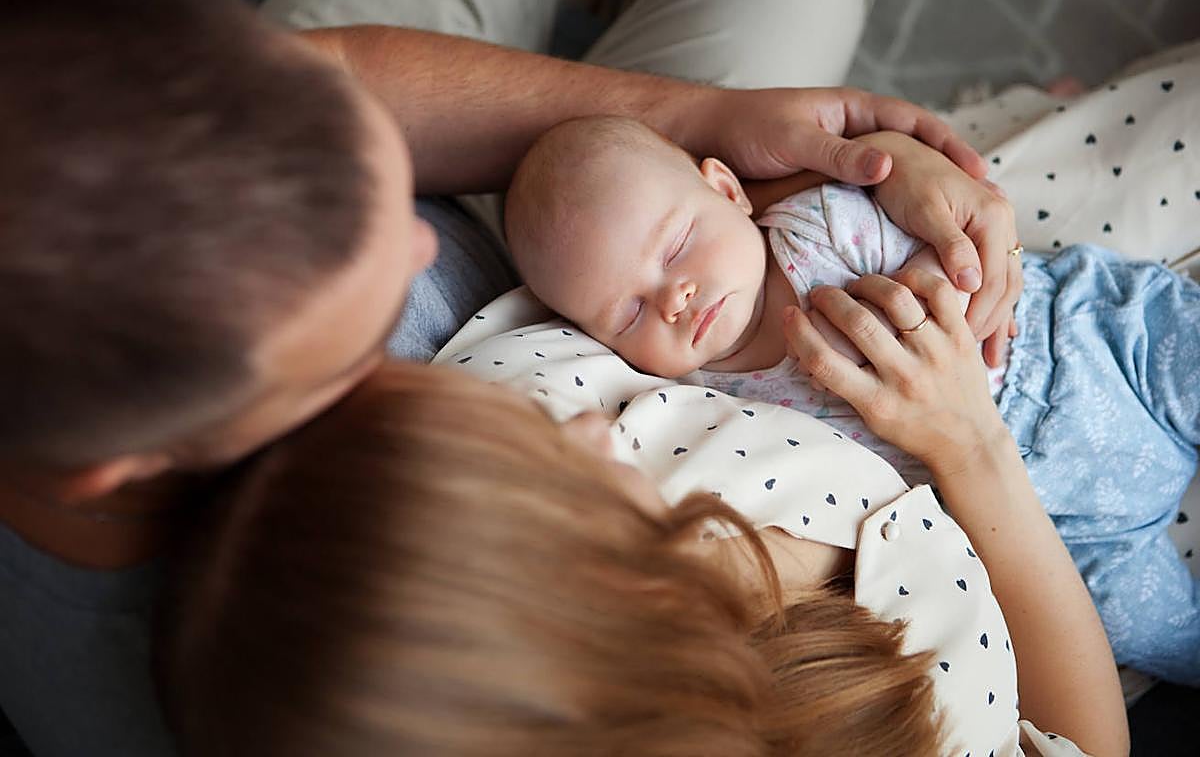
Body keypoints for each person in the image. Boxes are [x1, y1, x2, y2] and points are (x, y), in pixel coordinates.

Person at [0, 0, 1020, 757]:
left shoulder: (118, 202)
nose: (418, 240)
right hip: (615, 284)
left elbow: (344, 74)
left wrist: (692, 123)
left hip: (602, 207)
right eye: (350, 339)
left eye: (368, 197)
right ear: (121, 471)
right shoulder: (335, 648)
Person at [504, 114, 1200, 684]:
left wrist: (938, 279)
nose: (674, 296)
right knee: (1154, 631)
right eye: (628, 314)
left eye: (678, 244)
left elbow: (950, 247)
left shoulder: (818, 229)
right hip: (1060, 524)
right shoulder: (714, 405)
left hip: (1086, 345)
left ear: (728, 190)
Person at [158, 358, 1127, 756]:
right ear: (595, 609)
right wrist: (975, 446)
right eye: (558, 463)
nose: (585, 428)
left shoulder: (497, 407)